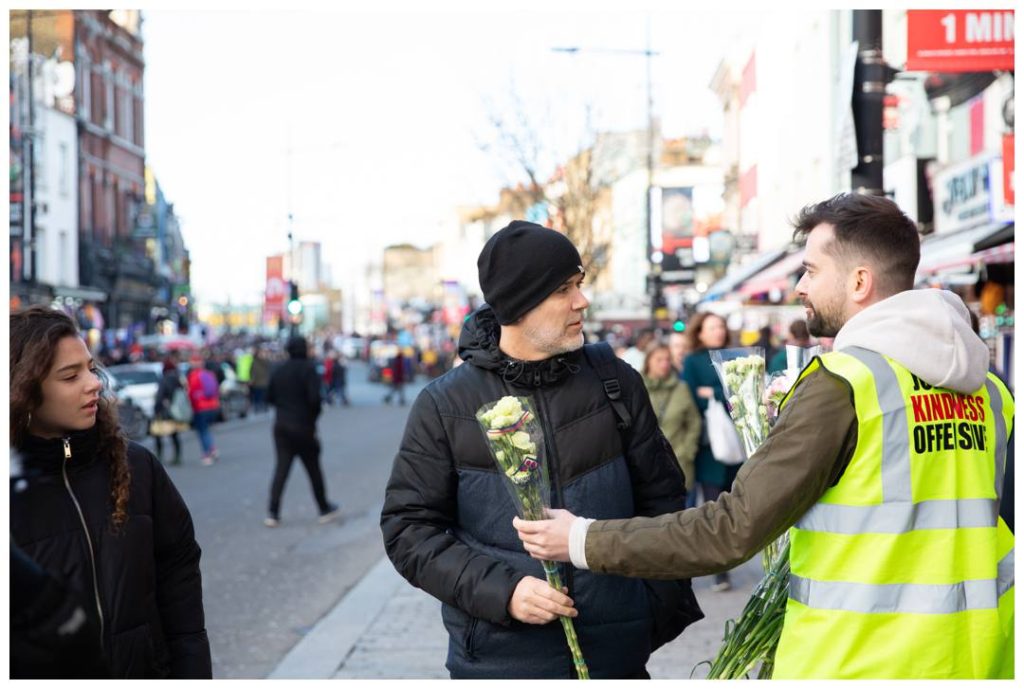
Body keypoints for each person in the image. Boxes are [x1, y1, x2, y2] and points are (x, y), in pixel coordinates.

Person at [514, 193, 1015, 679]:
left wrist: (582, 539)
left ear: (860, 281)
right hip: (976, 658)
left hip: (860, 660)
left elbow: (729, 529)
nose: (800, 286)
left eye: (812, 271)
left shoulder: (845, 385)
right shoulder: (990, 390)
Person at [380, 220, 703, 680]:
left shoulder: (615, 382)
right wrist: (502, 592)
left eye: (580, 285)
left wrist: (649, 607)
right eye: (563, 290)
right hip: (500, 660)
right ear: (519, 305)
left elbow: (664, 499)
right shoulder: (445, 405)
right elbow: (408, 530)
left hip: (616, 657)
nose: (582, 302)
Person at [9, 307, 212, 678]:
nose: (94, 383)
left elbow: (179, 574)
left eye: (90, 368)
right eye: (70, 376)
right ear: (22, 390)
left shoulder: (137, 466)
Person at [679, 311, 736, 591]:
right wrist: (720, 392)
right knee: (714, 508)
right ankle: (719, 569)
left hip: (737, 442)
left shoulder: (733, 355)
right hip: (709, 444)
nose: (718, 331)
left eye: (721, 325)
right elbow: (690, 395)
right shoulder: (693, 361)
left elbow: (739, 390)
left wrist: (711, 391)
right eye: (712, 327)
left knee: (739, 504)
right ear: (699, 332)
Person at [264, 335, 340, 528]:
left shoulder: (278, 369)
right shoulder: (309, 369)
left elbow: (269, 397)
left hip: (281, 425)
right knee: (313, 469)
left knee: (281, 469)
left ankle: (273, 512)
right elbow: (315, 400)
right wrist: (311, 419)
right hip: (303, 427)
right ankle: (323, 508)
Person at [642, 343, 702, 508]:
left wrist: (687, 451)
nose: (664, 364)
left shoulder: (681, 388)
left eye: (668, 359)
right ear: (648, 361)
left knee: (686, 517)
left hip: (680, 463)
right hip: (647, 468)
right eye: (659, 359)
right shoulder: (637, 387)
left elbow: (694, 422)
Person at [187, 354, 220, 465]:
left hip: (200, 407)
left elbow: (191, 393)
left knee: (202, 431)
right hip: (213, 406)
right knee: (207, 429)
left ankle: (207, 454)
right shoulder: (209, 374)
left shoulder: (194, 375)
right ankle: (213, 449)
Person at [152, 358, 185, 465]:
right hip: (175, 410)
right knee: (174, 435)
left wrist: (156, 409)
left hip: (164, 412)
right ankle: (177, 457)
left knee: (157, 434)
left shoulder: (164, 380)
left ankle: (158, 457)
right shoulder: (178, 379)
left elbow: (160, 396)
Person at [250, 346, 271, 414]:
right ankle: (264, 406)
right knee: (263, 395)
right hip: (264, 382)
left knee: (258, 396)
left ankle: (258, 407)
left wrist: (252, 381)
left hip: (258, 383)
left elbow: (253, 373)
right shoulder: (265, 361)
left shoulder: (254, 362)